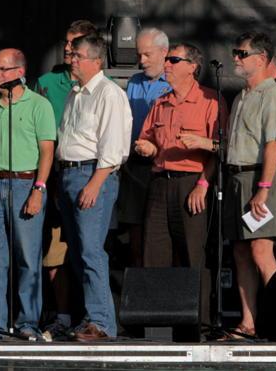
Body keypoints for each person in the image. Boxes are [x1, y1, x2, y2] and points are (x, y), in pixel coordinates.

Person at [134, 43, 227, 325]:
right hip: (161, 182)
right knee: (154, 251)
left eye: (174, 59)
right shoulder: (161, 102)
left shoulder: (211, 101)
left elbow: (223, 148)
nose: (168, 64)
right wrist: (146, 147)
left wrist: (202, 184)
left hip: (192, 183)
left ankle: (198, 323)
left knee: (192, 253)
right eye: (167, 59)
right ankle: (156, 321)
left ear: (192, 66)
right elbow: (148, 138)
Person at [0, 48, 56, 338]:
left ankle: (27, 322)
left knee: (28, 258)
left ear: (19, 72)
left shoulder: (39, 105)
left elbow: (47, 151)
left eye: (2, 70)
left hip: (25, 183)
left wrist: (38, 189)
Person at [57, 34, 132, 341]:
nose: (72, 60)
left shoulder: (109, 94)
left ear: (96, 61)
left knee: (91, 251)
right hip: (70, 174)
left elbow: (113, 148)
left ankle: (102, 322)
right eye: (72, 56)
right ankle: (89, 316)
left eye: (78, 56)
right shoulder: (77, 92)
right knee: (76, 252)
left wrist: (95, 183)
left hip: (93, 174)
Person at [222, 32, 276, 340]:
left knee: (261, 250)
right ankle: (248, 322)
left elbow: (274, 145)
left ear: (261, 59)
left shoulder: (273, 94)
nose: (235, 58)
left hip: (261, 177)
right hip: (238, 177)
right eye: (235, 52)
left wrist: (263, 188)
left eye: (242, 53)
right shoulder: (241, 96)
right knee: (240, 251)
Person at [33, 19, 98, 339]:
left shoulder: (102, 86)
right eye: (67, 42)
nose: (68, 48)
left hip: (88, 177)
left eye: (75, 44)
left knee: (87, 250)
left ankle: (92, 317)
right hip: (55, 177)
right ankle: (60, 315)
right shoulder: (47, 82)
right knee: (55, 252)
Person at [121, 27, 172, 267]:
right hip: (135, 165)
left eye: (147, 55)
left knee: (160, 229)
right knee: (135, 227)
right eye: (139, 55)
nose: (141, 61)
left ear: (164, 52)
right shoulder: (134, 82)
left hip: (164, 166)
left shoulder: (174, 82)